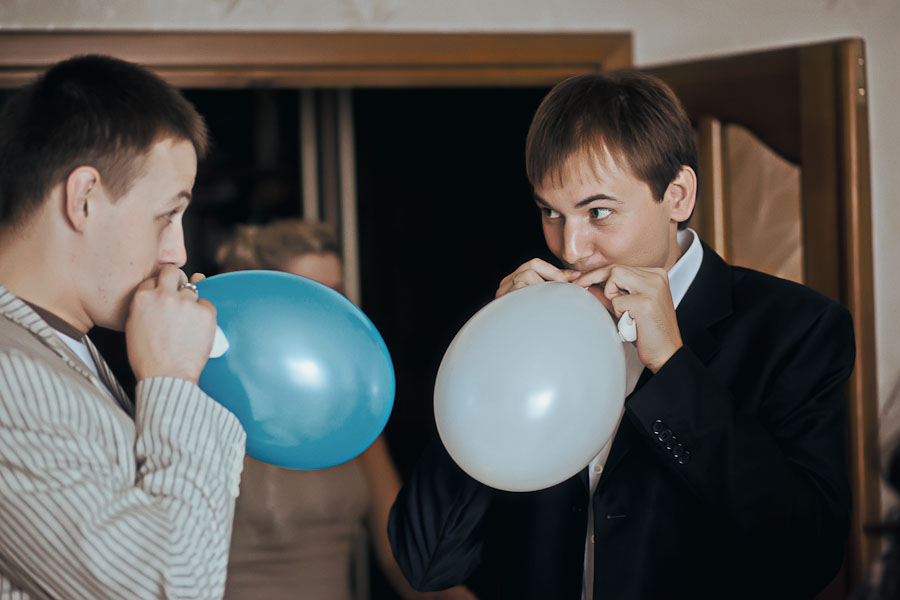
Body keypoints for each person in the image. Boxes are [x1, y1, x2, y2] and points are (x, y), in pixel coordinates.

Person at [388, 70, 855, 599]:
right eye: (550, 212)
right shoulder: (524, 325)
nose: (570, 247)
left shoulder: (799, 328)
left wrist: (674, 367)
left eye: (598, 212)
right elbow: (425, 562)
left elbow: (806, 557)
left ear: (677, 196)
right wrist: (496, 361)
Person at [0, 55, 246, 599]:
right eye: (166, 216)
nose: (178, 252)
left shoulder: (70, 347)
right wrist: (172, 379)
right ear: (84, 198)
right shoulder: (7, 379)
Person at [216, 219, 475, 600]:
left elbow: (401, 560)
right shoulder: (210, 409)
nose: (331, 314)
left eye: (336, 294)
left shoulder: (350, 415)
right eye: (310, 297)